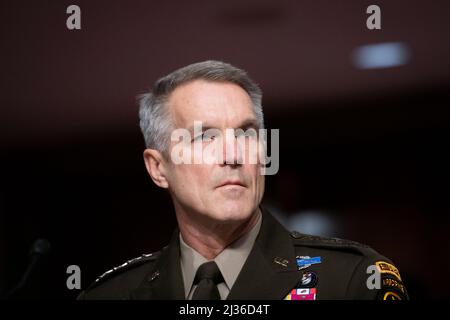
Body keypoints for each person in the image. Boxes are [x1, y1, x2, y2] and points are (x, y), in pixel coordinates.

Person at [78, 61, 408, 300]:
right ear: (158, 168)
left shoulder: (354, 279)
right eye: (205, 137)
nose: (233, 155)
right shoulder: (112, 294)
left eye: (246, 134)